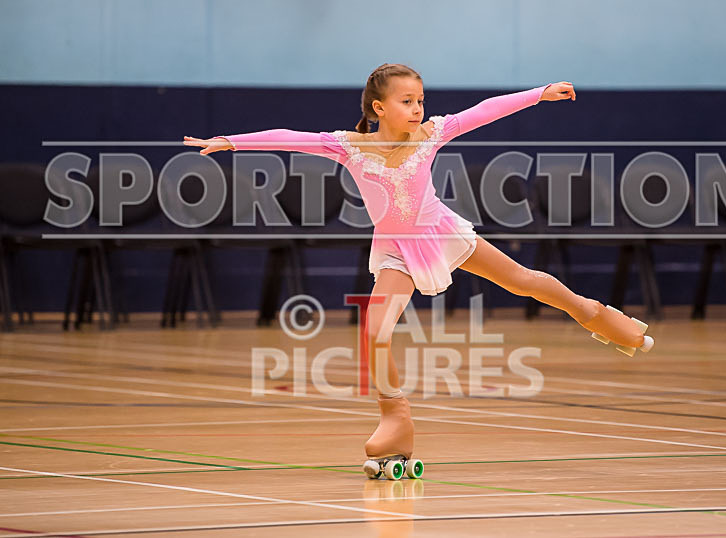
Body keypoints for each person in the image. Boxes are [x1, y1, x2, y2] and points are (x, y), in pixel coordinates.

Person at [184, 63, 653, 479]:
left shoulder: (432, 133)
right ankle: (395, 418)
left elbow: (485, 110)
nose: (417, 108)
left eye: (420, 100)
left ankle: (600, 316)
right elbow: (289, 139)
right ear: (378, 107)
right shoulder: (348, 146)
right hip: (396, 251)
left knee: (525, 281)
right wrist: (229, 142)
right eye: (406, 101)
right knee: (375, 330)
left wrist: (538, 93)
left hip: (442, 233)